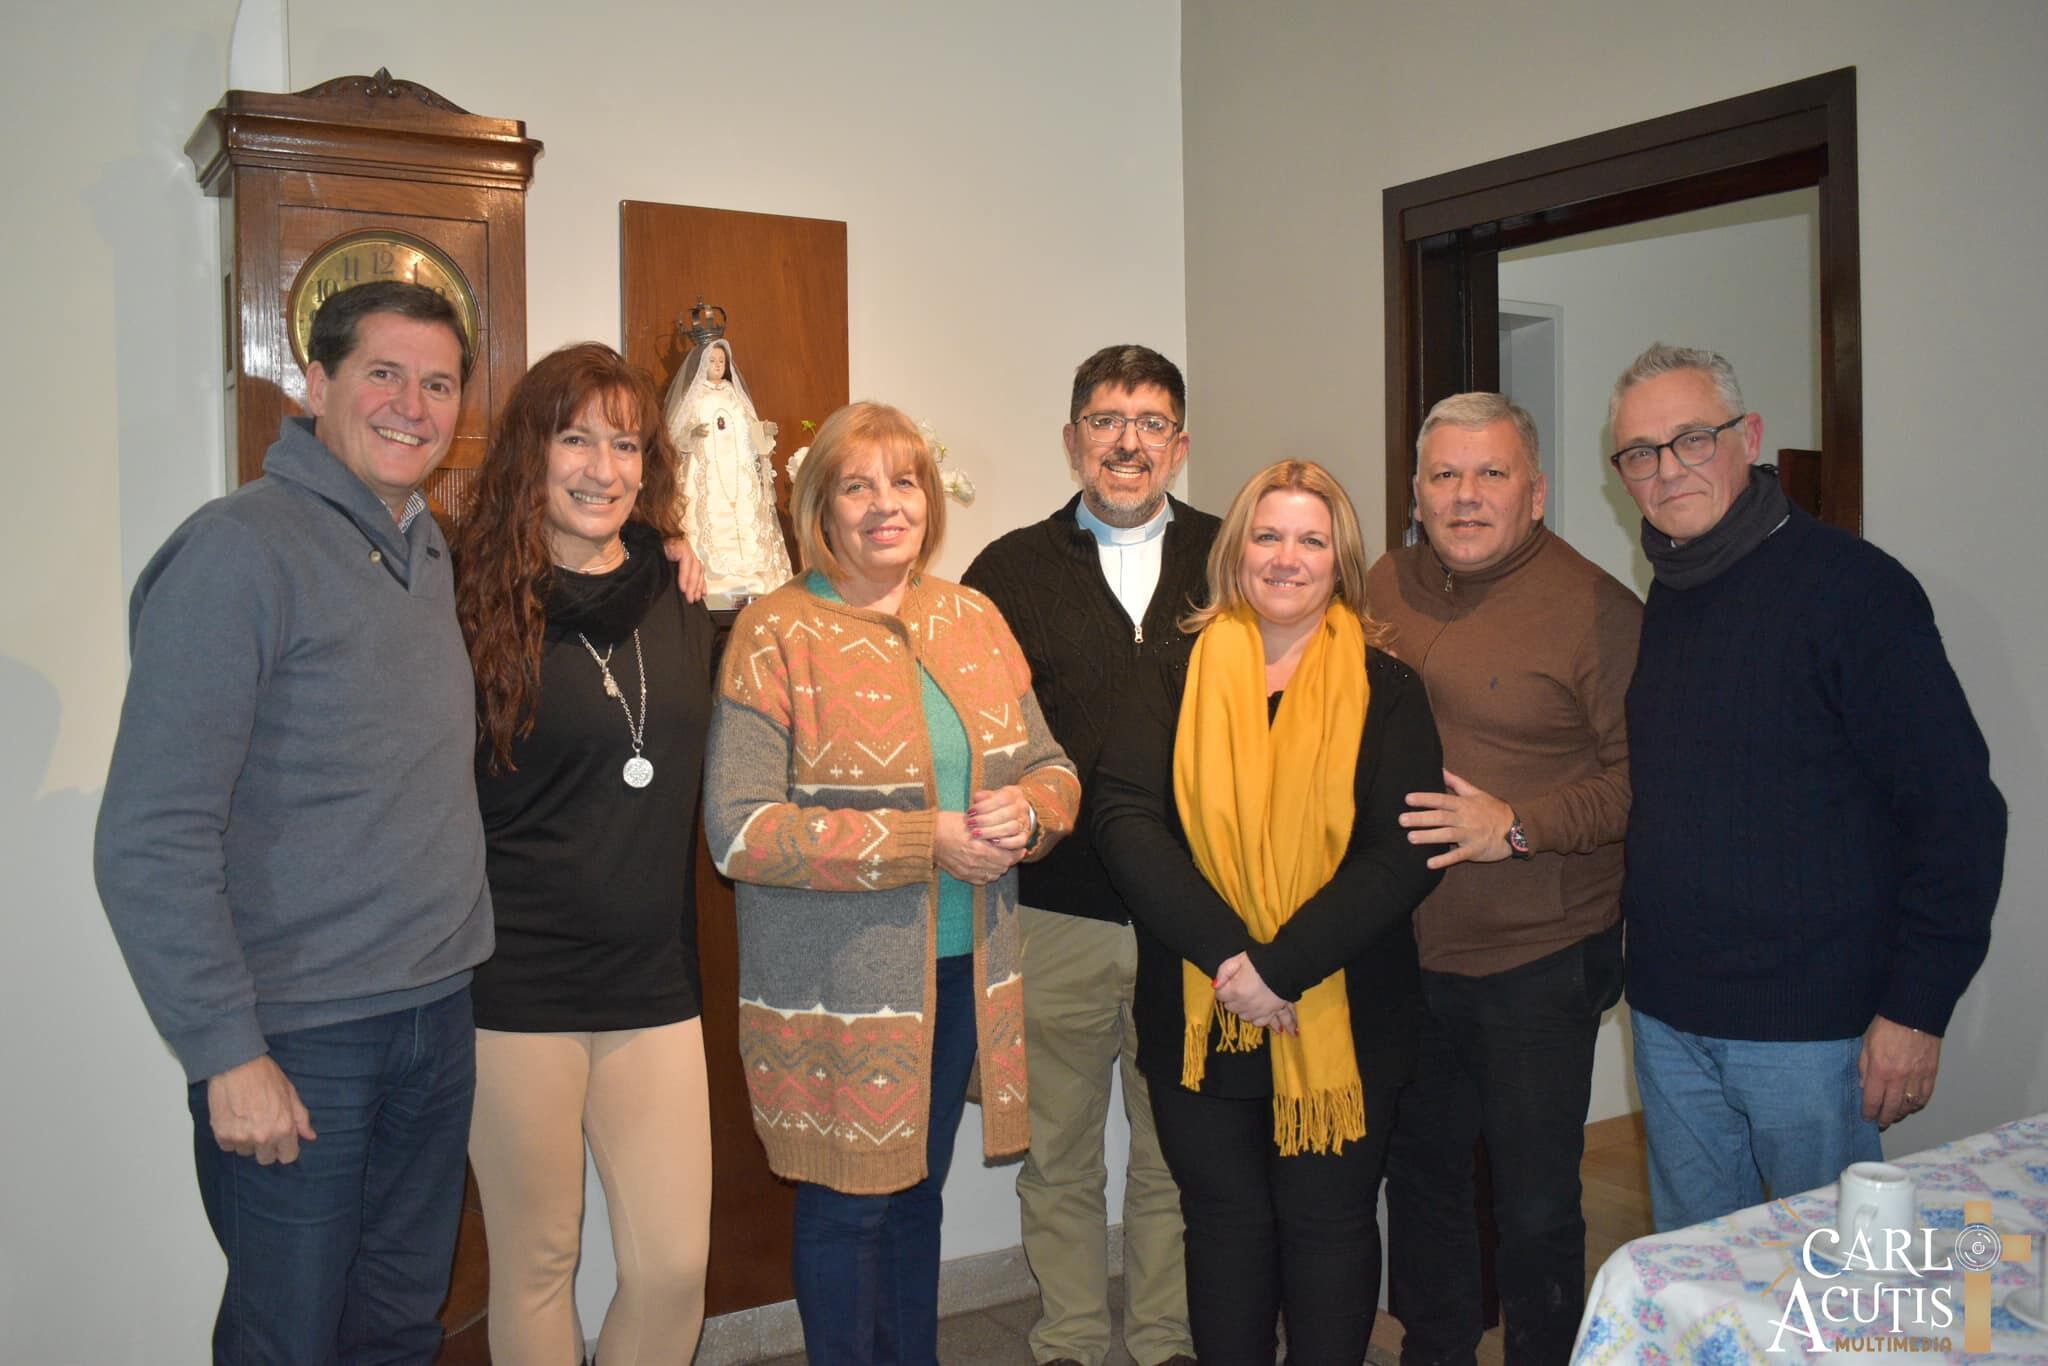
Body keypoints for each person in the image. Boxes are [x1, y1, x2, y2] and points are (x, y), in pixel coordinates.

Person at [94, 279, 494, 1363]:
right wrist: (227, 1051)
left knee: (398, 1327)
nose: (412, 404)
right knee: (289, 1340)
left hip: (432, 1018)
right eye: (382, 373)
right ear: (314, 383)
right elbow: (150, 833)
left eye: (438, 383)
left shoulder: (423, 546)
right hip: (302, 1042)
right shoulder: (239, 551)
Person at [703, 400, 1081, 1364]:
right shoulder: (774, 629)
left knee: (916, 1201)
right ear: (818, 507)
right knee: (847, 1216)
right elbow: (740, 831)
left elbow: (1052, 763)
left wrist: (1029, 814)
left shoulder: (972, 617)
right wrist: (927, 840)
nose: (885, 505)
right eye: (857, 485)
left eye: (903, 482)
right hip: (839, 991)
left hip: (963, 976)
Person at [1610, 343, 2005, 1230]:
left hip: (1808, 1034)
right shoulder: (1669, 597)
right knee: (1703, 1280)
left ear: (1747, 438)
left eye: (1692, 439)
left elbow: (1960, 815)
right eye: (1640, 452)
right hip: (1671, 1017)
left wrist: (1915, 1009)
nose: (1667, 470)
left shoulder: (1855, 591)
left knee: (1824, 1294)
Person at [1093, 459, 1446, 1365]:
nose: (1287, 558)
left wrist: (1279, 968)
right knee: (1224, 1230)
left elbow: (1403, 853)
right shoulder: (1167, 674)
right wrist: (1232, 962)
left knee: (1329, 1229)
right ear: (1235, 550)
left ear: (1342, 561)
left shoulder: (1388, 689)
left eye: (1311, 540)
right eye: (1268, 535)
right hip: (1200, 1007)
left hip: (1345, 1007)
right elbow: (1126, 824)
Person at [450, 343, 716, 1365]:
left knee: (669, 1268)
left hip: (653, 983)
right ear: (532, 452)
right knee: (536, 1260)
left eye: (624, 442)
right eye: (575, 438)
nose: (601, 467)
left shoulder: (682, 591)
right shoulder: (468, 598)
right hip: (513, 988)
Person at [1367, 393, 1638, 1366]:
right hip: (1405, 953)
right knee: (1425, 1183)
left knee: (1532, 1205)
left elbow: (1638, 782)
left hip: (1538, 960)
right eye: (1444, 475)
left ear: (1534, 490)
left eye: (1490, 474)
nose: (1465, 494)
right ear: (1414, 491)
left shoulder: (1596, 608)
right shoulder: (1379, 586)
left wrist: (1514, 827)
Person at [962, 343, 1214, 1366]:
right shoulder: (1005, 571)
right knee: (1057, 1155)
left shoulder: (1231, 554)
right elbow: (976, 728)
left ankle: (1162, 1341)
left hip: (1192, 918)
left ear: (1179, 444)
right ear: (1072, 440)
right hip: (1054, 917)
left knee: (1174, 1155)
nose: (1126, 442)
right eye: (1105, 420)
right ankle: (1066, 1339)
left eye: (1149, 423)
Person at [664, 336, 792, 602]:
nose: (718, 365)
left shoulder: (734, 396)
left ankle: (750, 581)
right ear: (702, 363)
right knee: (706, 518)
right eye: (712, 360)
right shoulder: (695, 397)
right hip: (707, 469)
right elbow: (675, 437)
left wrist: (763, 432)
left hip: (736, 471)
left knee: (745, 520)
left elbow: (750, 432)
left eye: (722, 361)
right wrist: (692, 434)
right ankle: (710, 580)